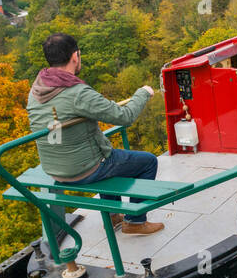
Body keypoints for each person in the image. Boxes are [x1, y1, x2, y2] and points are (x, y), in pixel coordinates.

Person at [27, 32, 164, 235]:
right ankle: (135, 221)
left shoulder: (37, 89)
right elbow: (124, 116)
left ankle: (112, 215)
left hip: (54, 169)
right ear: (75, 56)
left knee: (109, 158)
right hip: (83, 170)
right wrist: (143, 93)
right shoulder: (77, 92)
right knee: (147, 162)